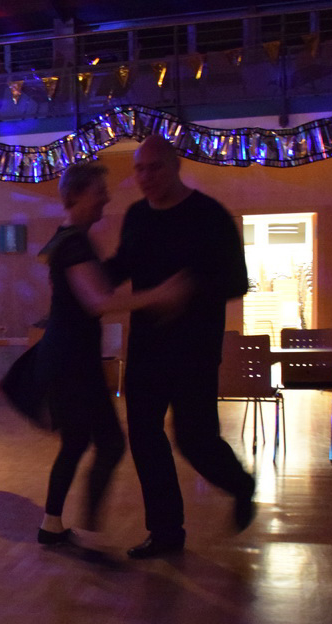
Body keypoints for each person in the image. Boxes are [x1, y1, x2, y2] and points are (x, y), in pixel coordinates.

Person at [108, 135, 257, 558]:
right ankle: (166, 531)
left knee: (194, 438)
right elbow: (122, 265)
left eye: (154, 167)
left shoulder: (209, 215)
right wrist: (82, 273)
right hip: (146, 347)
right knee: (144, 436)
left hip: (194, 350)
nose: (145, 177)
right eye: (138, 169)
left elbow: (236, 281)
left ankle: (239, 483)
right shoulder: (137, 216)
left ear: (175, 167)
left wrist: (189, 287)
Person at [27, 162, 189, 545]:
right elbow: (99, 301)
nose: (106, 198)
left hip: (70, 359)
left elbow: (95, 290)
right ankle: (87, 531)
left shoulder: (70, 238)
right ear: (75, 195)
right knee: (110, 442)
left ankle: (52, 525)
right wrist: (159, 295)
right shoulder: (73, 243)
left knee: (77, 442)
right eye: (99, 191)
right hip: (72, 362)